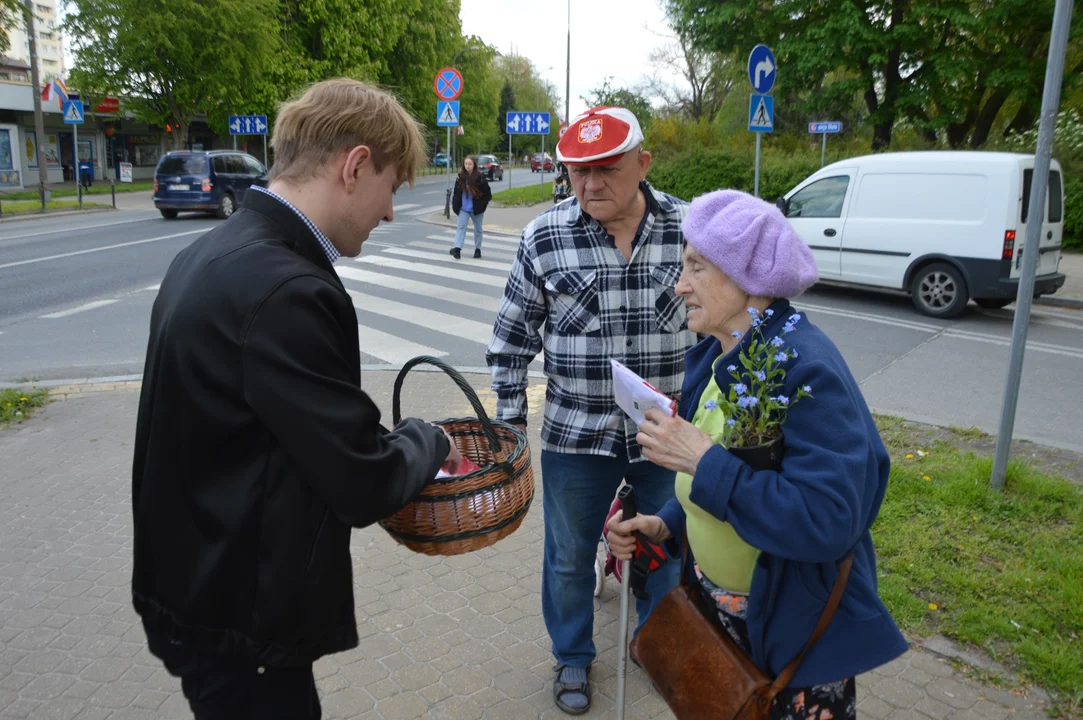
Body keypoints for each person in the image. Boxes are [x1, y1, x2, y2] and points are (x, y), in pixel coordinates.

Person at [131, 78, 461, 719]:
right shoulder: (287, 288)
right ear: (355, 166)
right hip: (240, 620)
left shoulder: (209, 252)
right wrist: (430, 438)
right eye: (391, 188)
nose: (390, 212)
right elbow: (362, 477)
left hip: (195, 591)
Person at [606, 190, 908, 720]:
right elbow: (724, 483)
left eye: (696, 267)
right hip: (719, 624)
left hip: (790, 640)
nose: (680, 285)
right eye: (683, 266)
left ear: (748, 278)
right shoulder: (717, 354)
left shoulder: (807, 369)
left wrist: (702, 461)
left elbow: (827, 518)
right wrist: (665, 524)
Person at [487, 106, 696, 715]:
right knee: (569, 556)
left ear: (644, 164)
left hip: (667, 435)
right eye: (577, 172)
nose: (590, 184)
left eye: (606, 169)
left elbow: (719, 327)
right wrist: (509, 432)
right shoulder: (544, 237)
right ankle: (573, 655)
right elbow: (510, 342)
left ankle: (652, 640)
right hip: (577, 434)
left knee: (669, 547)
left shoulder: (689, 229)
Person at [449, 155, 492, 259]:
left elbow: (488, 194)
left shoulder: (480, 178)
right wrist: (455, 205)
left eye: (470, 164)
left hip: (476, 209)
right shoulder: (460, 177)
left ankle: (477, 249)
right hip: (463, 209)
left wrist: (482, 205)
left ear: (474, 165)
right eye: (466, 164)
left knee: (478, 229)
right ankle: (457, 249)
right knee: (461, 227)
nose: (468, 166)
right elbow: (456, 193)